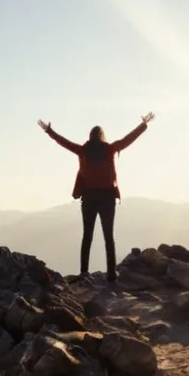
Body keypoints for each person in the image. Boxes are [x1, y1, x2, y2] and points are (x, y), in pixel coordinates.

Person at [37, 112, 155, 283]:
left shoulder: (83, 151)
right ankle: (111, 275)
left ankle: (84, 272)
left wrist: (49, 131)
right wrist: (143, 125)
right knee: (109, 237)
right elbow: (127, 140)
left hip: (89, 198)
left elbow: (63, 142)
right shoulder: (109, 149)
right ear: (102, 137)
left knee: (87, 235)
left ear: (90, 137)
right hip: (107, 197)